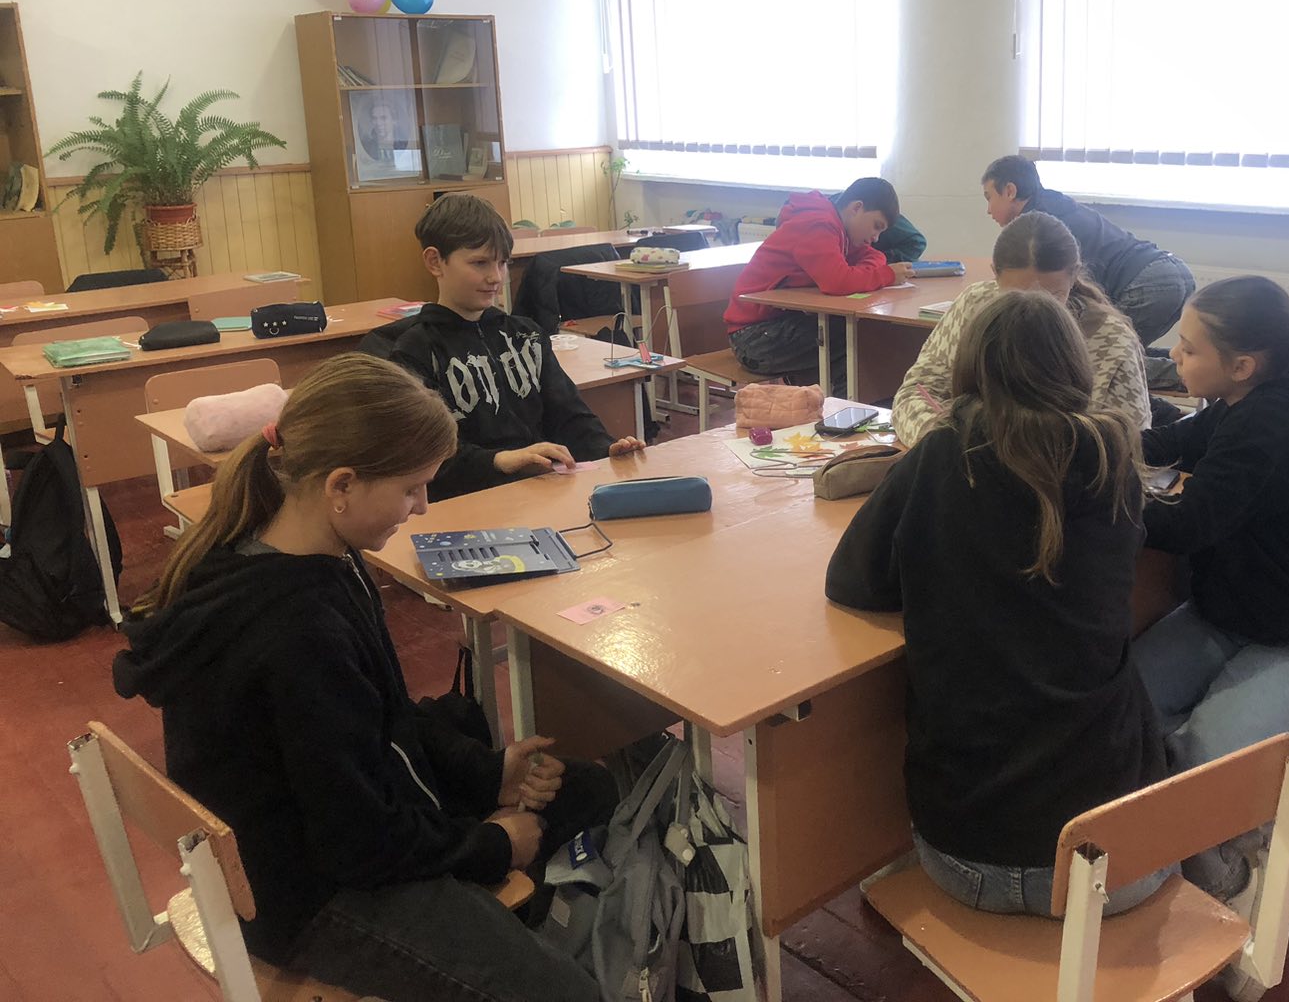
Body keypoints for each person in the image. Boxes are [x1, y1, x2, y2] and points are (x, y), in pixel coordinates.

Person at [112, 354, 610, 1002]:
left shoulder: (319, 556)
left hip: (345, 831)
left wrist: (489, 773)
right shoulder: (296, 631)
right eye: (411, 489)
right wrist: (491, 845)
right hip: (311, 895)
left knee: (587, 788)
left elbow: (385, 719)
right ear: (341, 486)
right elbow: (360, 844)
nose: (421, 506)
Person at [828, 290, 1169, 917]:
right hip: (1123, 859)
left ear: (971, 368)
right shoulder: (1114, 460)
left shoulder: (942, 456)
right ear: (1076, 367)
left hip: (972, 858)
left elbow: (852, 581)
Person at [1131, 275, 1289, 904]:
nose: (1174, 356)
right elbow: (1168, 442)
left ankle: (1232, 876)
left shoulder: (1270, 423)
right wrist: (1087, 442)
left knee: (1204, 758)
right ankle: (1181, 838)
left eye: (1189, 349)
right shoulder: (1238, 405)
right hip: (1232, 614)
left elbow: (1188, 526)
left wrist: (1095, 494)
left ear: (1241, 365)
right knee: (1120, 706)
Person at [389, 193, 644, 500]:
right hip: (472, 501)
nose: (495, 277)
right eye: (480, 263)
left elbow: (568, 415)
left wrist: (605, 448)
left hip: (541, 491)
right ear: (435, 262)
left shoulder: (527, 335)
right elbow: (425, 457)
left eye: (503, 263)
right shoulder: (414, 351)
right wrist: (498, 461)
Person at [892, 212, 1149, 445]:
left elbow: (1131, 442)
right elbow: (914, 393)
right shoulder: (975, 305)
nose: (1032, 310)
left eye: (1052, 296)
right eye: (1014, 295)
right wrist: (941, 441)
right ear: (995, 274)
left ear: (1074, 275)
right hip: (970, 463)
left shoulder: (1113, 339)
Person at [981, 155, 1194, 360]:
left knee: (1090, 357)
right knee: (1120, 350)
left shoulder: (1038, 230)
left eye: (989, 197)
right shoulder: (1056, 203)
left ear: (1010, 191)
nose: (988, 210)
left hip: (1148, 283)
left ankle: (1189, 372)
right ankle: (1184, 366)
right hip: (1170, 273)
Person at [723, 176, 912, 395]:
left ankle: (845, 404)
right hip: (754, 338)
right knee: (856, 338)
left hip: (779, 325)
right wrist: (887, 275)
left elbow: (874, 256)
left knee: (859, 332)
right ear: (856, 208)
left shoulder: (840, 230)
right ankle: (845, 408)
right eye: (876, 226)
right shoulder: (817, 224)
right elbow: (838, 281)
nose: (876, 237)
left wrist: (866, 272)